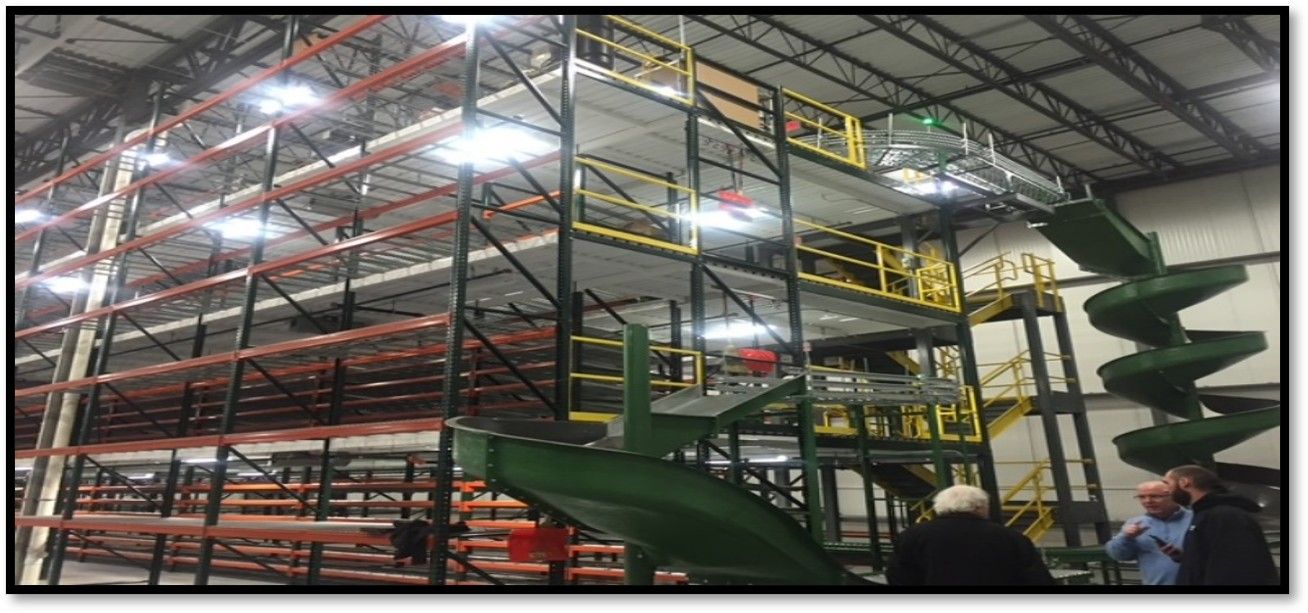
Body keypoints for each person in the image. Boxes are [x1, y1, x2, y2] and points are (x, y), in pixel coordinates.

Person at [886, 484, 1055, 586]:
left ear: (940, 507)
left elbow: (898, 576)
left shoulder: (912, 535)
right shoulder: (1011, 538)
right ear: (980, 507)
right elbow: (1037, 579)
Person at [1162, 465, 1279, 585]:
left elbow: (1235, 567)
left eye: (1167, 483)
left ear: (1184, 482)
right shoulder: (1205, 514)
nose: (1165, 490)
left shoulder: (1224, 516)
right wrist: (1188, 558)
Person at [1104, 480, 1193, 585]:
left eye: (1155, 496)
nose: (1148, 501)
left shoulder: (1195, 519)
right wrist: (1125, 537)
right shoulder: (1136, 523)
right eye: (1142, 497)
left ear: (1173, 496)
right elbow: (1119, 556)